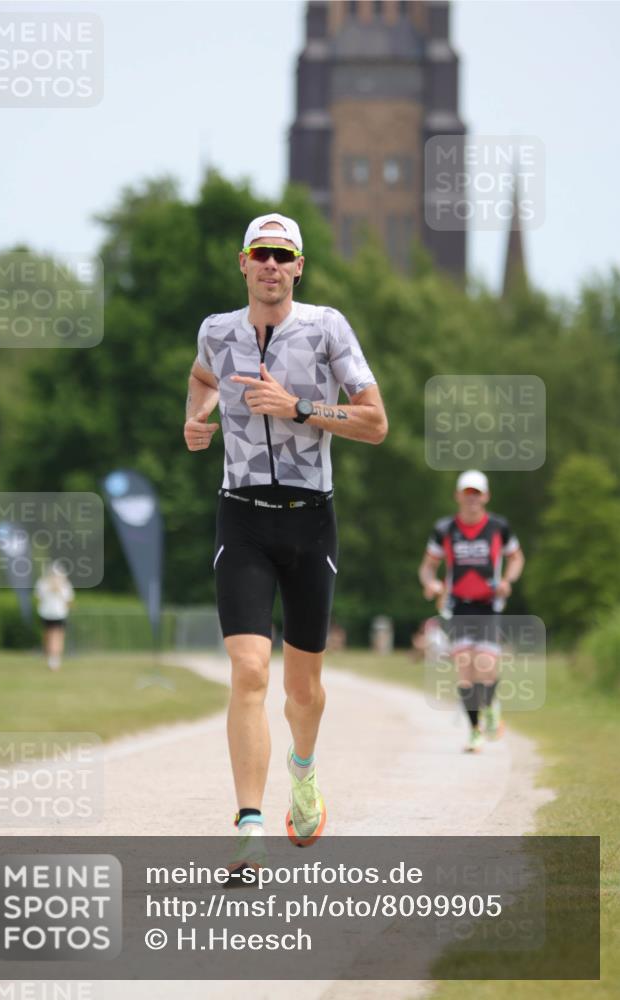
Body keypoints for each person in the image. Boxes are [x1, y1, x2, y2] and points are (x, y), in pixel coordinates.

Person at [184, 212, 387, 860]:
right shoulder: (218, 331)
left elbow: (375, 422)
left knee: (303, 691)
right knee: (249, 672)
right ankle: (248, 826)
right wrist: (197, 417)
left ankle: (303, 769)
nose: (271, 265)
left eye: (283, 254)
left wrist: (298, 407)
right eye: (260, 253)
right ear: (242, 263)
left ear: (298, 266)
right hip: (241, 517)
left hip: (310, 520)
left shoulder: (326, 328)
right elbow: (202, 376)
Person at [418, 470, 524, 752]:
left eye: (476, 493)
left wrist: (507, 581)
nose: (472, 499)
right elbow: (428, 567)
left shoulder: (499, 527)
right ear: (458, 496)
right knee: (465, 669)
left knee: (486, 667)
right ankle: (475, 730)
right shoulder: (445, 530)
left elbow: (516, 558)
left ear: (486, 496)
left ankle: (491, 706)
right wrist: (432, 584)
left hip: (489, 606)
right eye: (467, 493)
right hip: (459, 606)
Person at [35, 560, 74, 670]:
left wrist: (59, 589)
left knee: (57, 636)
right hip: (47, 613)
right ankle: (50, 656)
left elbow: (68, 600)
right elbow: (39, 597)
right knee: (48, 636)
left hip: (59, 614)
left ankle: (55, 659)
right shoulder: (42, 583)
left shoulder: (65, 585)